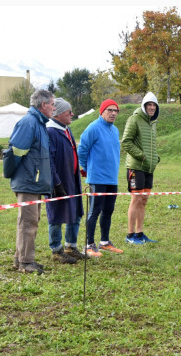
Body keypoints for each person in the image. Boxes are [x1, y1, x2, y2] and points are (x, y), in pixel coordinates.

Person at [7, 90, 55, 274]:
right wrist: (20, 175)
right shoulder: (29, 123)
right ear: (43, 104)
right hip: (27, 181)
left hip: (33, 182)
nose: (53, 107)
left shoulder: (39, 123)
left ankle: (21, 259)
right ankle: (26, 262)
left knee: (31, 221)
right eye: (52, 104)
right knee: (28, 222)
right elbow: (15, 152)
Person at [78, 99, 124, 257]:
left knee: (108, 210)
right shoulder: (93, 128)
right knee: (94, 210)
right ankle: (88, 244)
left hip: (112, 178)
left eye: (115, 111)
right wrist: (86, 169)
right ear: (102, 111)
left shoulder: (115, 130)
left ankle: (104, 242)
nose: (113, 113)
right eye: (109, 110)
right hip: (97, 178)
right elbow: (82, 150)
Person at [46, 98, 86, 264]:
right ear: (58, 113)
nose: (72, 114)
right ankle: (56, 249)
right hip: (59, 182)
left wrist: (80, 168)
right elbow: (49, 160)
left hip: (73, 179)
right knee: (56, 215)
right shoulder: (51, 132)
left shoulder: (67, 130)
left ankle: (71, 246)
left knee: (75, 213)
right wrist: (56, 183)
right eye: (69, 111)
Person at [122, 92, 160, 244]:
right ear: (144, 106)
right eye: (149, 105)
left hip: (149, 168)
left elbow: (152, 145)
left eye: (154, 105)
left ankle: (140, 233)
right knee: (136, 199)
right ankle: (130, 235)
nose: (151, 107)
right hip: (136, 167)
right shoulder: (134, 119)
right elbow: (126, 141)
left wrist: (155, 158)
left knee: (144, 200)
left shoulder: (153, 124)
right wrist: (141, 156)